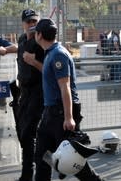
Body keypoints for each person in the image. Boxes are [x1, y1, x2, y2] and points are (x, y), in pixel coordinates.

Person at [32, 18, 103, 181]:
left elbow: (65, 87)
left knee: (72, 160)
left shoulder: (58, 54)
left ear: (39, 35)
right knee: (42, 155)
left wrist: (69, 117)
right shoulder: (51, 53)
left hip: (61, 112)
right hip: (50, 112)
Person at [15, 9, 45, 181]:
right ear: (23, 24)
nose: (32, 24)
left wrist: (33, 60)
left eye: (34, 21)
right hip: (24, 93)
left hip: (38, 93)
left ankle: (28, 174)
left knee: (29, 134)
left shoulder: (41, 41)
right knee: (22, 133)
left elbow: (48, 70)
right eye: (28, 22)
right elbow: (20, 65)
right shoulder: (21, 40)